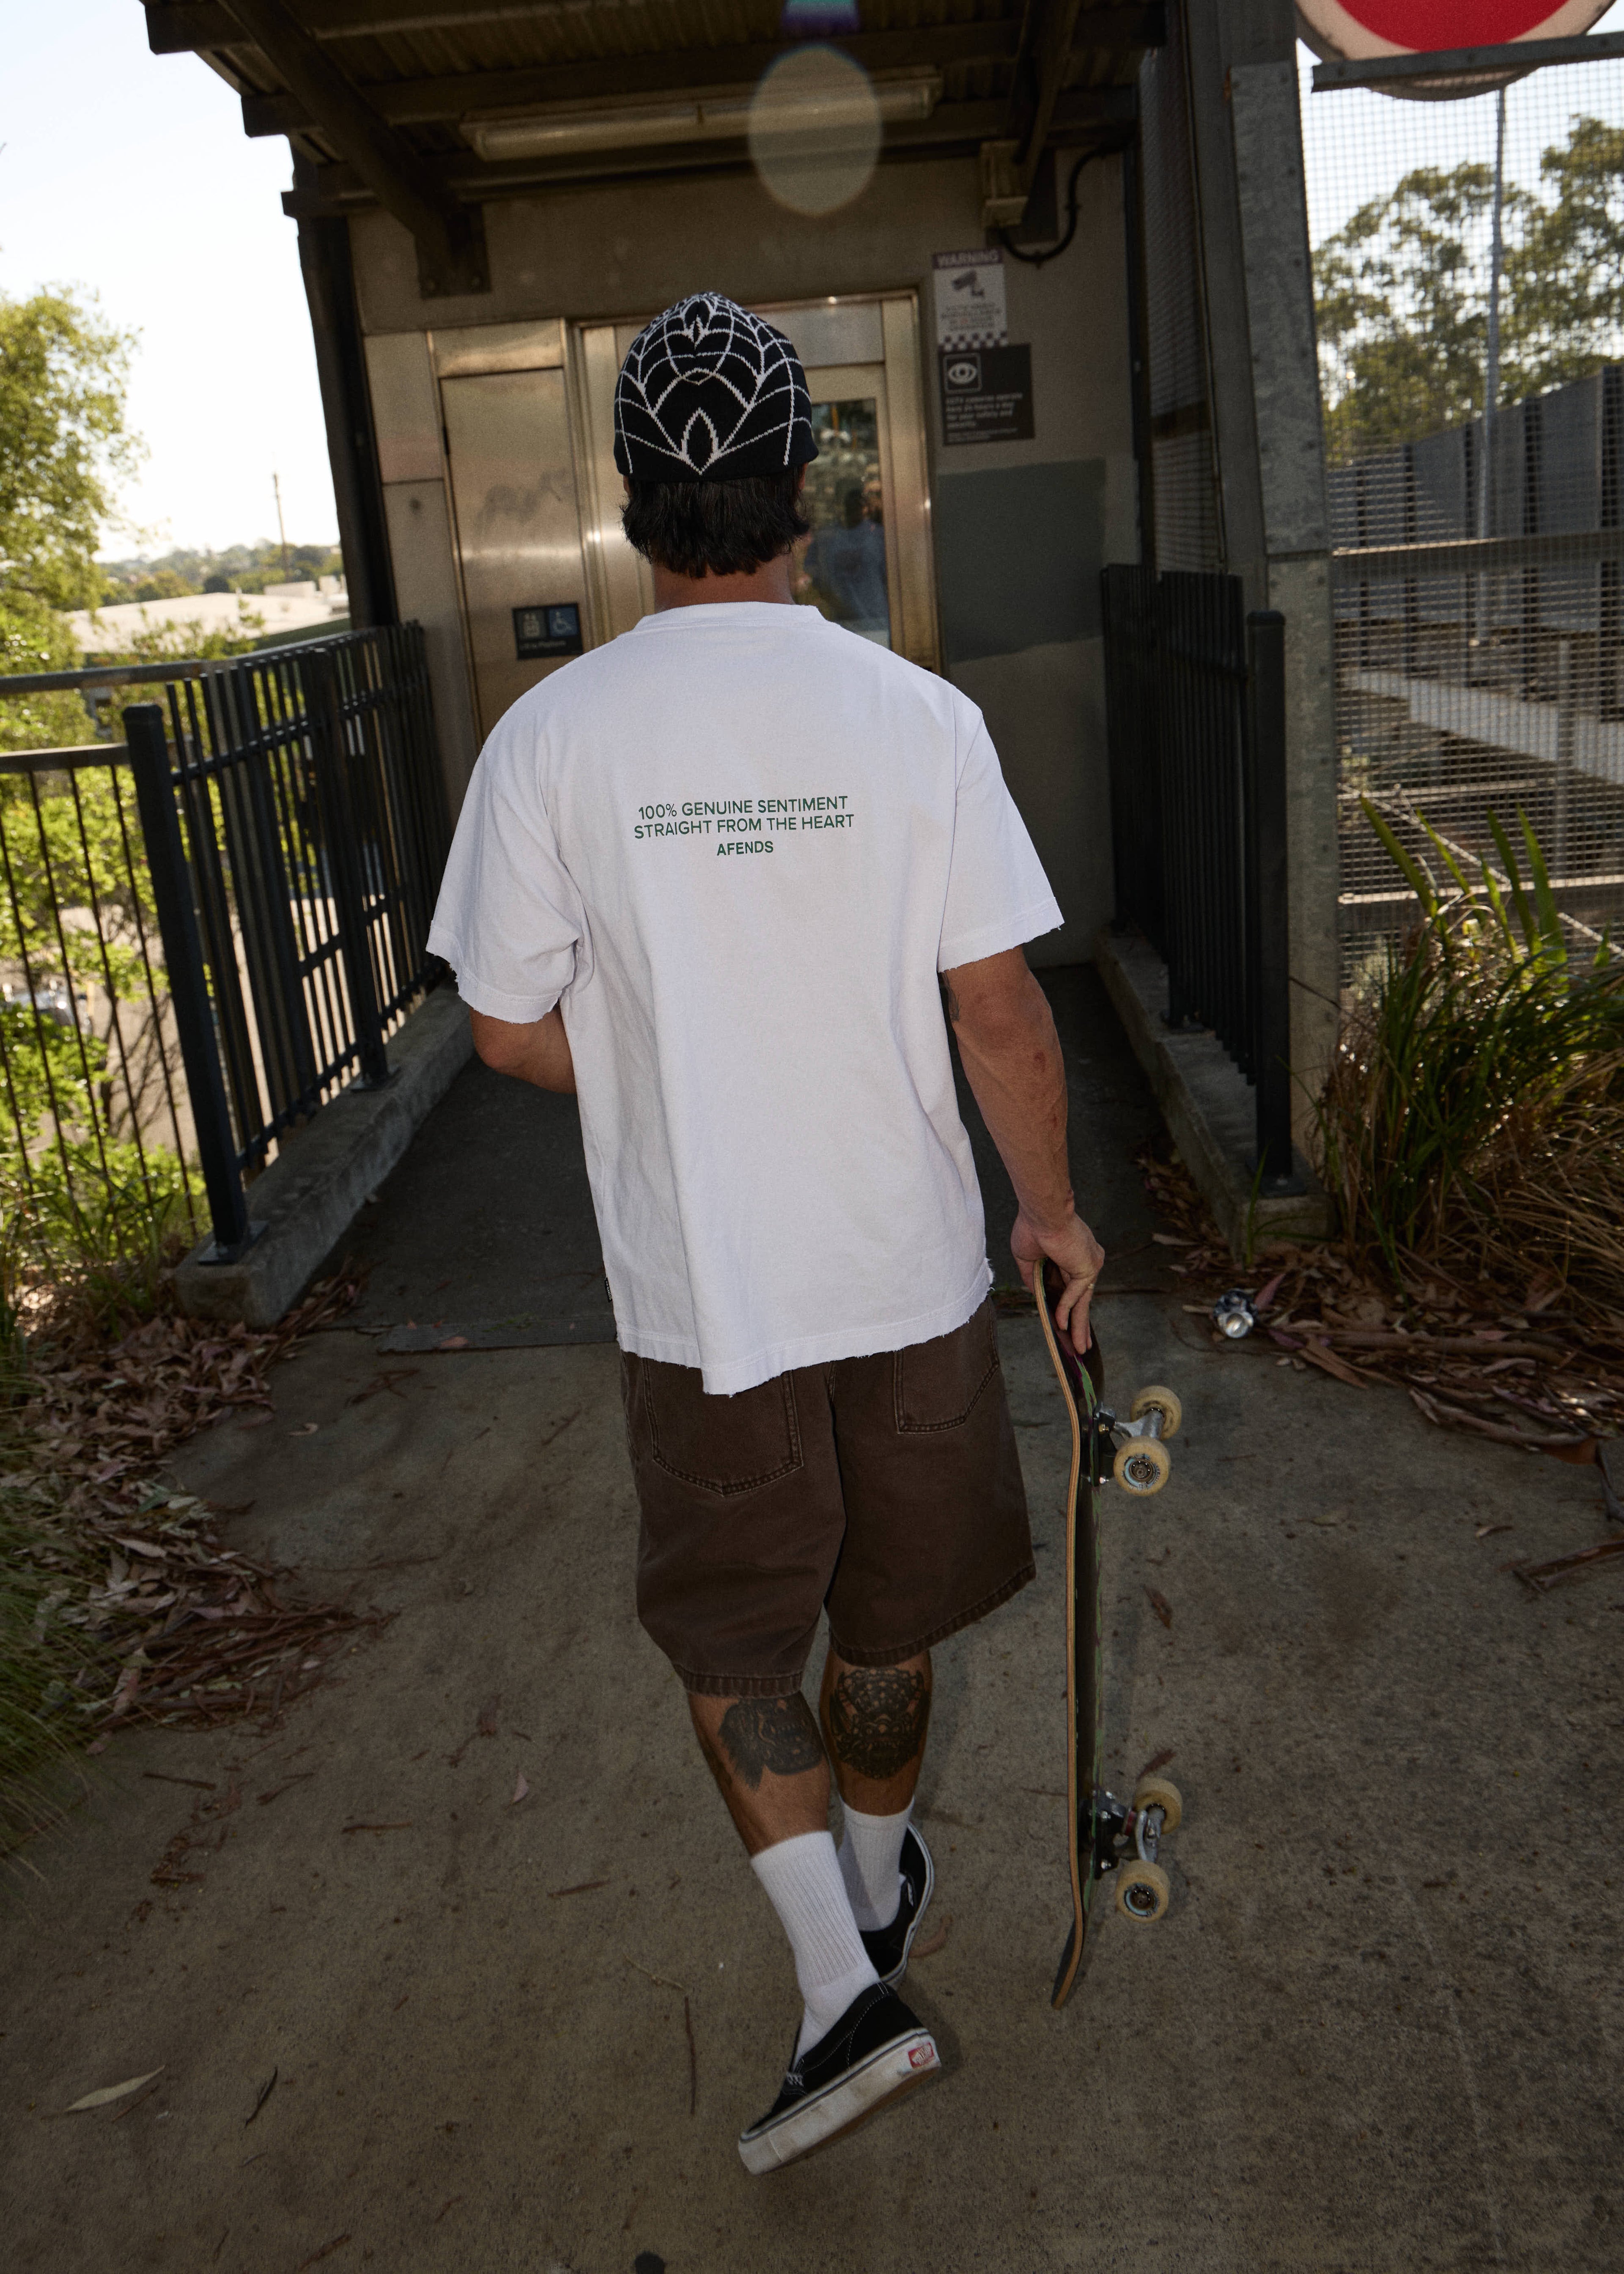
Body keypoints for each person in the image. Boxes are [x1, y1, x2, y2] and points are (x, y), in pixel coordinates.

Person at [427, 291, 1104, 2174]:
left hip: (700, 1294)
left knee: (738, 1640)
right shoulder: (918, 718)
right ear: (807, 488)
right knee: (892, 1615)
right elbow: (999, 1014)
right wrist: (1050, 1216)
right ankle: (876, 1893)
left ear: (637, 502)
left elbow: (501, 1024)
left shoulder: (550, 737)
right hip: (905, 1278)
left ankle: (841, 1987)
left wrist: (657, 1077)